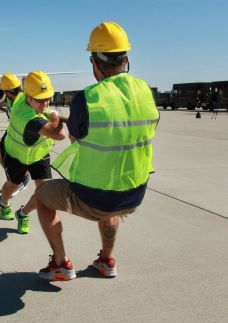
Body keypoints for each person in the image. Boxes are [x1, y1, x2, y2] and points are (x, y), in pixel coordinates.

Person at [35, 22, 160, 281]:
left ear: (94, 62)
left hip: (95, 197)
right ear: (126, 59)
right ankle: (106, 261)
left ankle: (60, 263)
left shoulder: (88, 97)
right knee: (111, 202)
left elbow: (75, 139)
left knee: (42, 196)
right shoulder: (145, 91)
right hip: (135, 192)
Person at [0, 71, 66, 234]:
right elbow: (60, 134)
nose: (45, 103)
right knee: (11, 186)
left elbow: (43, 111)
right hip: (17, 156)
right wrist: (54, 115)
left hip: (39, 153)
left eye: (48, 98)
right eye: (40, 100)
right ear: (28, 97)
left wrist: (48, 111)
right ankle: (3, 203)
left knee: (45, 192)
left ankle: (22, 213)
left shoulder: (24, 96)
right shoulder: (27, 117)